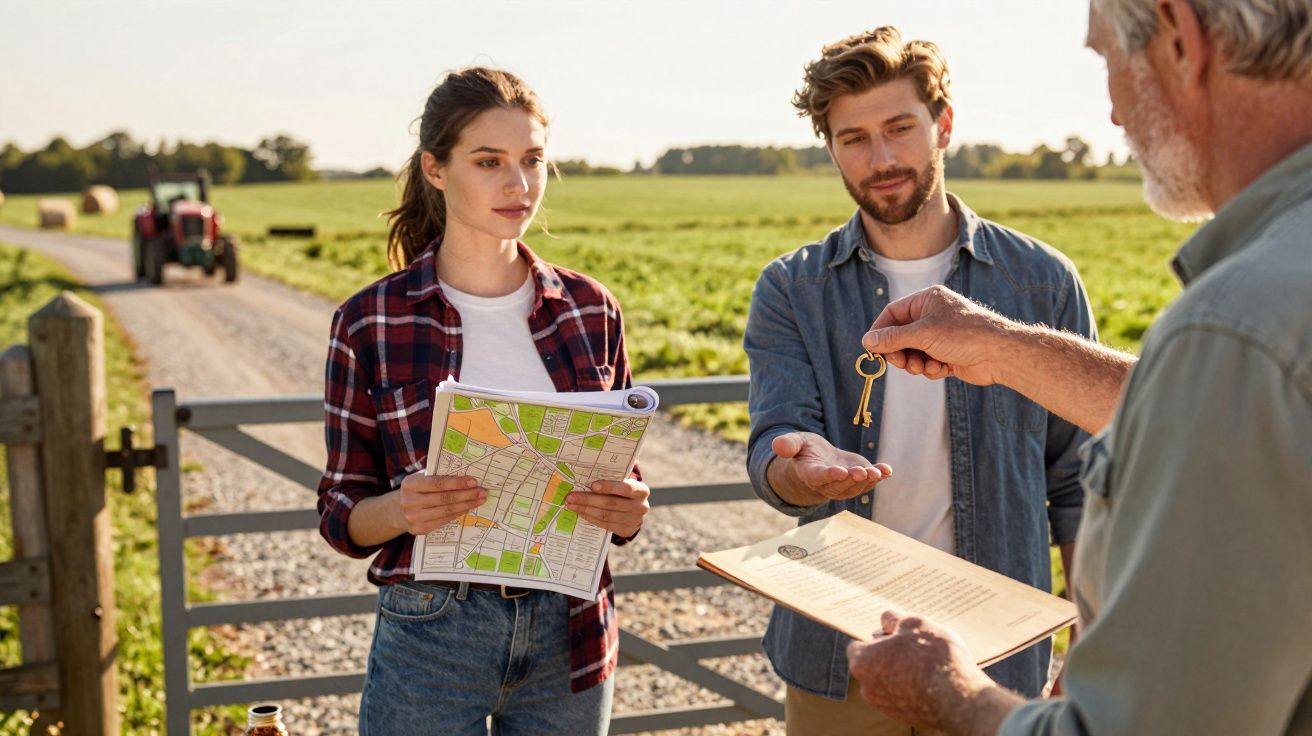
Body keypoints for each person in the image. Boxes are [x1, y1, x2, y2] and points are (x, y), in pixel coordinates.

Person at [847, 1, 1312, 733]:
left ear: (1181, 40)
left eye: (1108, 63)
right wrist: (1001, 346)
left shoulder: (1233, 331)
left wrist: (953, 692)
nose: (1114, 115)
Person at [743, 26, 1097, 736]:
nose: (881, 158)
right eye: (854, 138)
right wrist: (804, 469)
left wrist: (1092, 630)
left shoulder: (1042, 282)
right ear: (831, 148)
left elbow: (1079, 481)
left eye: (900, 128)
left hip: (998, 654)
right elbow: (771, 451)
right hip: (841, 652)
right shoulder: (791, 288)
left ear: (944, 126)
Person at [315, 67, 650, 735]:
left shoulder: (590, 309)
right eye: (489, 161)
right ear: (435, 169)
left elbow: (622, 481)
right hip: (433, 633)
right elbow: (341, 513)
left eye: (532, 160)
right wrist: (402, 508)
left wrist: (629, 507)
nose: (519, 184)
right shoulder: (371, 321)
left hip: (572, 630)